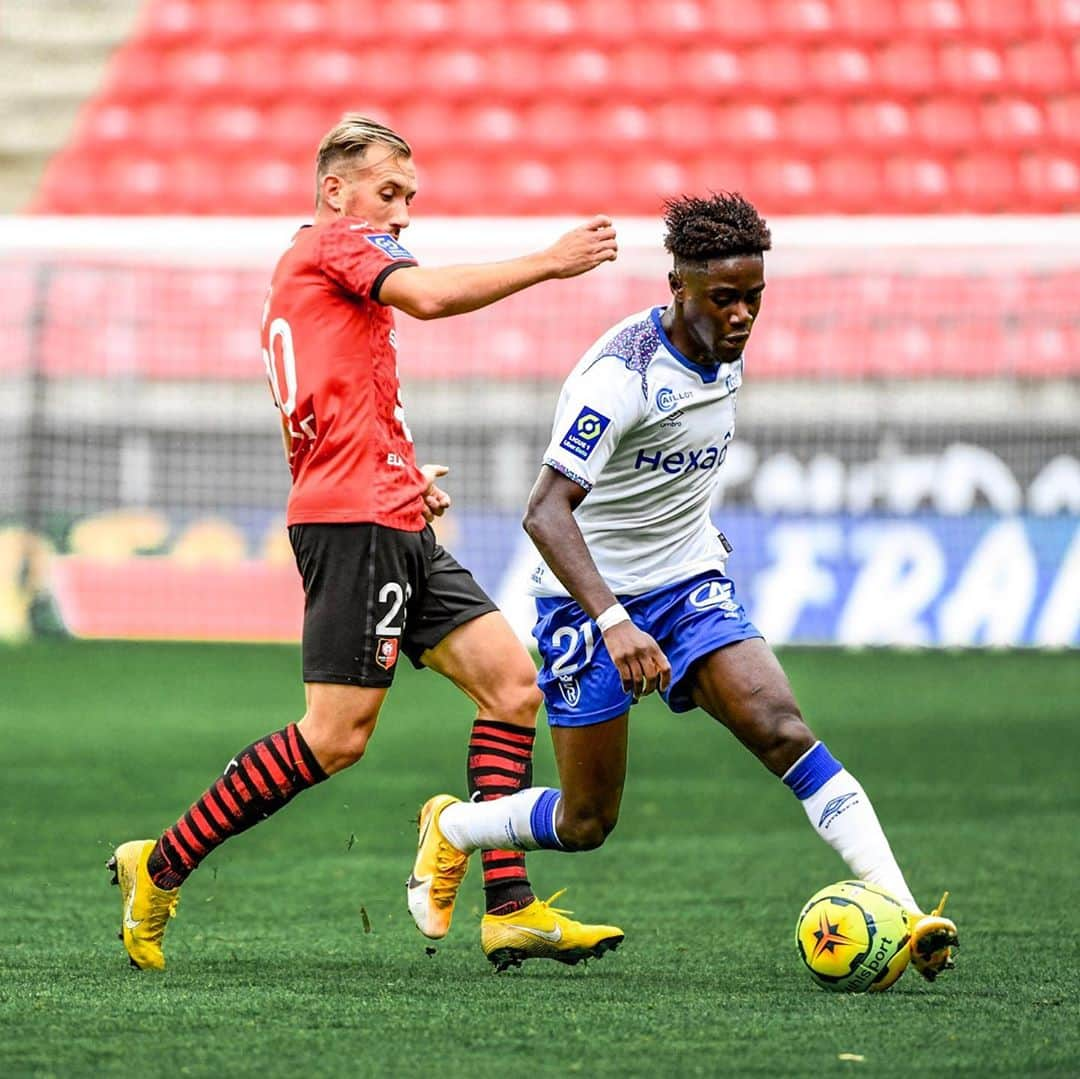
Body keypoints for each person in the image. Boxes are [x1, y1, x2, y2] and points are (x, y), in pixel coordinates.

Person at [108, 114, 624, 972]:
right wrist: (549, 259)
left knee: (511, 685)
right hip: (354, 522)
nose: (404, 213)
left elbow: (332, 394)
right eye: (391, 192)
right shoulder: (334, 243)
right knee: (335, 736)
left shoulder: (317, 270)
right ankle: (158, 867)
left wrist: (403, 470)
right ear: (334, 189)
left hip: (387, 510)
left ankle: (509, 906)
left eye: (411, 198)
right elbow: (425, 298)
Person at [409, 192, 959, 982]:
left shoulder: (724, 348)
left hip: (690, 582)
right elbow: (544, 512)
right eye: (724, 299)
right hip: (587, 601)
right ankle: (457, 826)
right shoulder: (620, 375)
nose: (741, 317)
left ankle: (908, 917)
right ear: (678, 286)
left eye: (754, 299)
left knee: (781, 726)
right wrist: (613, 621)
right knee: (587, 818)